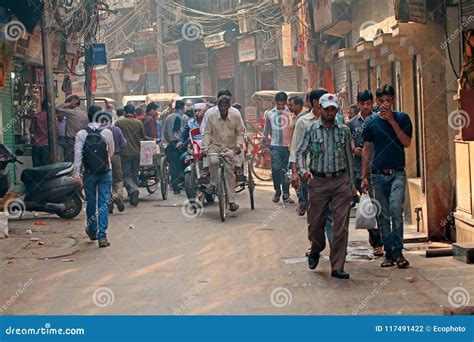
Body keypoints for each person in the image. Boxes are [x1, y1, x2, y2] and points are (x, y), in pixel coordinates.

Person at [296, 93, 354, 279]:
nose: (329, 112)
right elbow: (300, 152)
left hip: (340, 181)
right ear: (319, 109)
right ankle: (316, 248)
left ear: (336, 110)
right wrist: (304, 170)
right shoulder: (311, 129)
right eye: (326, 109)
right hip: (318, 182)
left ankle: (337, 265)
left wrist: (352, 183)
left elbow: (349, 158)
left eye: (333, 109)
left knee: (340, 226)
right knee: (315, 224)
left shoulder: (344, 131)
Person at [361, 84, 413, 269]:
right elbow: (367, 148)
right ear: (377, 101)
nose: (385, 104)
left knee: (396, 210)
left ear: (393, 100)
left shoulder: (402, 118)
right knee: (383, 216)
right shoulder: (371, 123)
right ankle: (389, 254)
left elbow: (406, 142)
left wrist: (392, 122)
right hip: (378, 176)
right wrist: (364, 176)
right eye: (381, 101)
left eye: (388, 101)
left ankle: (398, 252)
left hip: (397, 173)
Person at [346, 90, 384, 257]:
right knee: (369, 206)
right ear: (358, 104)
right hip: (359, 170)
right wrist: (355, 149)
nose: (367, 106)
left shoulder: (380, 119)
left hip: (379, 167)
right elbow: (348, 147)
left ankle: (381, 239)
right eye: (363, 104)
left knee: (380, 206)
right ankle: (377, 242)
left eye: (369, 103)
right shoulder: (351, 125)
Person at [74, 105, 115, 248]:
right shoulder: (107, 132)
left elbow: (78, 156)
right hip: (105, 171)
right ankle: (102, 236)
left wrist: (77, 174)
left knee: (91, 203)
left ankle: (92, 230)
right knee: (103, 204)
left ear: (88, 117)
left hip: (89, 173)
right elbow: (111, 151)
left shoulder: (81, 134)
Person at [201, 96, 245, 212]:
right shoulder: (212, 117)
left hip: (229, 148)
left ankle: (231, 201)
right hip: (215, 147)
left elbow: (240, 133)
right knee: (213, 160)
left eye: (226, 106)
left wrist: (238, 146)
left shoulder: (235, 117)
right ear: (218, 107)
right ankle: (214, 183)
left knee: (230, 172)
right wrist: (204, 148)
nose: (223, 108)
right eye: (221, 106)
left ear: (229, 106)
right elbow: (207, 133)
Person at [289, 89, 327, 216]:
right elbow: (295, 148)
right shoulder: (302, 121)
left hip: (330, 171)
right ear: (316, 102)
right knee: (314, 207)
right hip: (308, 171)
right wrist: (295, 172)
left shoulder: (333, 119)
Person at [263, 91, 294, 204]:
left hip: (289, 147)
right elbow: (266, 130)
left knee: (287, 171)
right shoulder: (270, 114)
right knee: (276, 168)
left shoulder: (290, 113)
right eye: (278, 104)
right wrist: (264, 141)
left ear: (285, 102)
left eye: (282, 104)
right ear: (275, 102)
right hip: (275, 146)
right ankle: (277, 191)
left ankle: (286, 194)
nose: (280, 106)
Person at [115, 104, 146, 206]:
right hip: (136, 153)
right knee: (134, 174)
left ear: (124, 112)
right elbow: (143, 136)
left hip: (124, 153)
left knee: (125, 175)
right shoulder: (138, 123)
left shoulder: (119, 123)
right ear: (134, 113)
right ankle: (133, 193)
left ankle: (133, 190)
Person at [100, 114, 127, 214]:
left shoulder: (99, 131)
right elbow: (123, 143)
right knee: (118, 179)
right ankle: (117, 195)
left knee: (106, 182)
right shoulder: (116, 129)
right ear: (111, 120)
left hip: (103, 158)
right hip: (115, 156)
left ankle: (109, 206)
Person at [163, 100, 187, 194]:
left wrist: (170, 141)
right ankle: (183, 182)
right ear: (183, 107)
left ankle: (176, 187)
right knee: (184, 163)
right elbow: (187, 131)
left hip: (172, 145)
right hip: (183, 145)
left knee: (173, 166)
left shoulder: (168, 118)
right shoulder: (185, 118)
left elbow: (165, 132)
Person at [56, 95, 88, 163]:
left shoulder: (71, 113)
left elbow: (56, 108)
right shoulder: (84, 114)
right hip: (81, 141)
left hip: (70, 141)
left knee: (69, 163)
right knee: (79, 162)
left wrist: (69, 104)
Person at [29, 99, 59, 167]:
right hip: (48, 145)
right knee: (47, 167)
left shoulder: (36, 116)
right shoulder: (52, 117)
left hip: (36, 144)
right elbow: (57, 131)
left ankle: (37, 178)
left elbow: (32, 130)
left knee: (36, 167)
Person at [178, 103, 206, 172]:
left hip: (207, 147)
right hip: (194, 147)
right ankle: (184, 179)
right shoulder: (190, 123)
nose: (197, 113)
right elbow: (184, 134)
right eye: (195, 111)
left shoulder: (209, 122)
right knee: (182, 159)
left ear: (204, 111)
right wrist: (180, 141)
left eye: (199, 110)